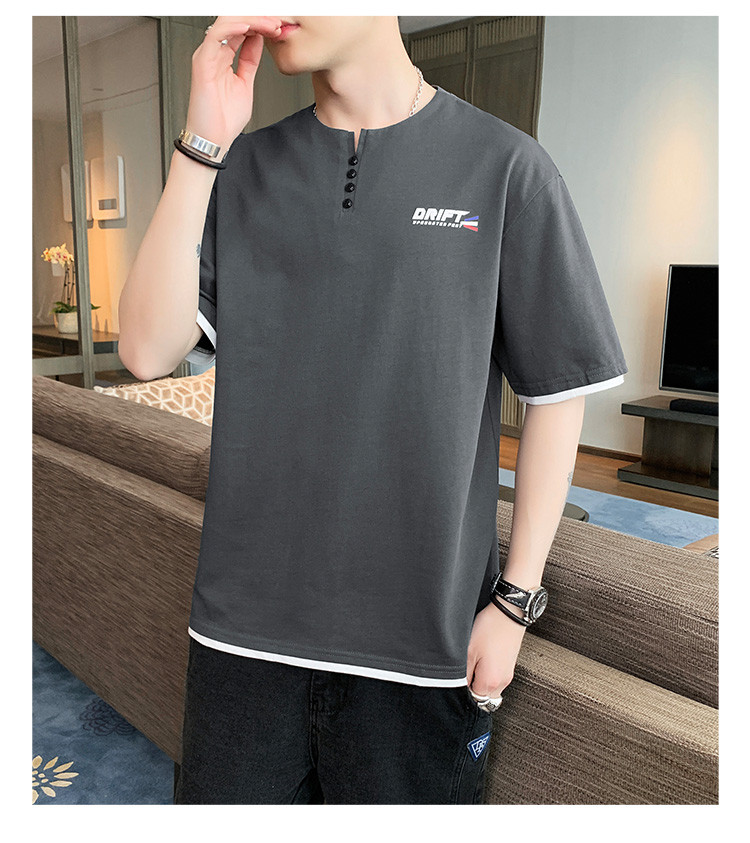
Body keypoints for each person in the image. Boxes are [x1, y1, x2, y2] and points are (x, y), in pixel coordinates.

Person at [119, 15, 628, 805]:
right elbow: (147, 350)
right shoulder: (241, 166)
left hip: (422, 648)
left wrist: (515, 602)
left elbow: (556, 394)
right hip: (241, 635)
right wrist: (202, 142)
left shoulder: (506, 168)